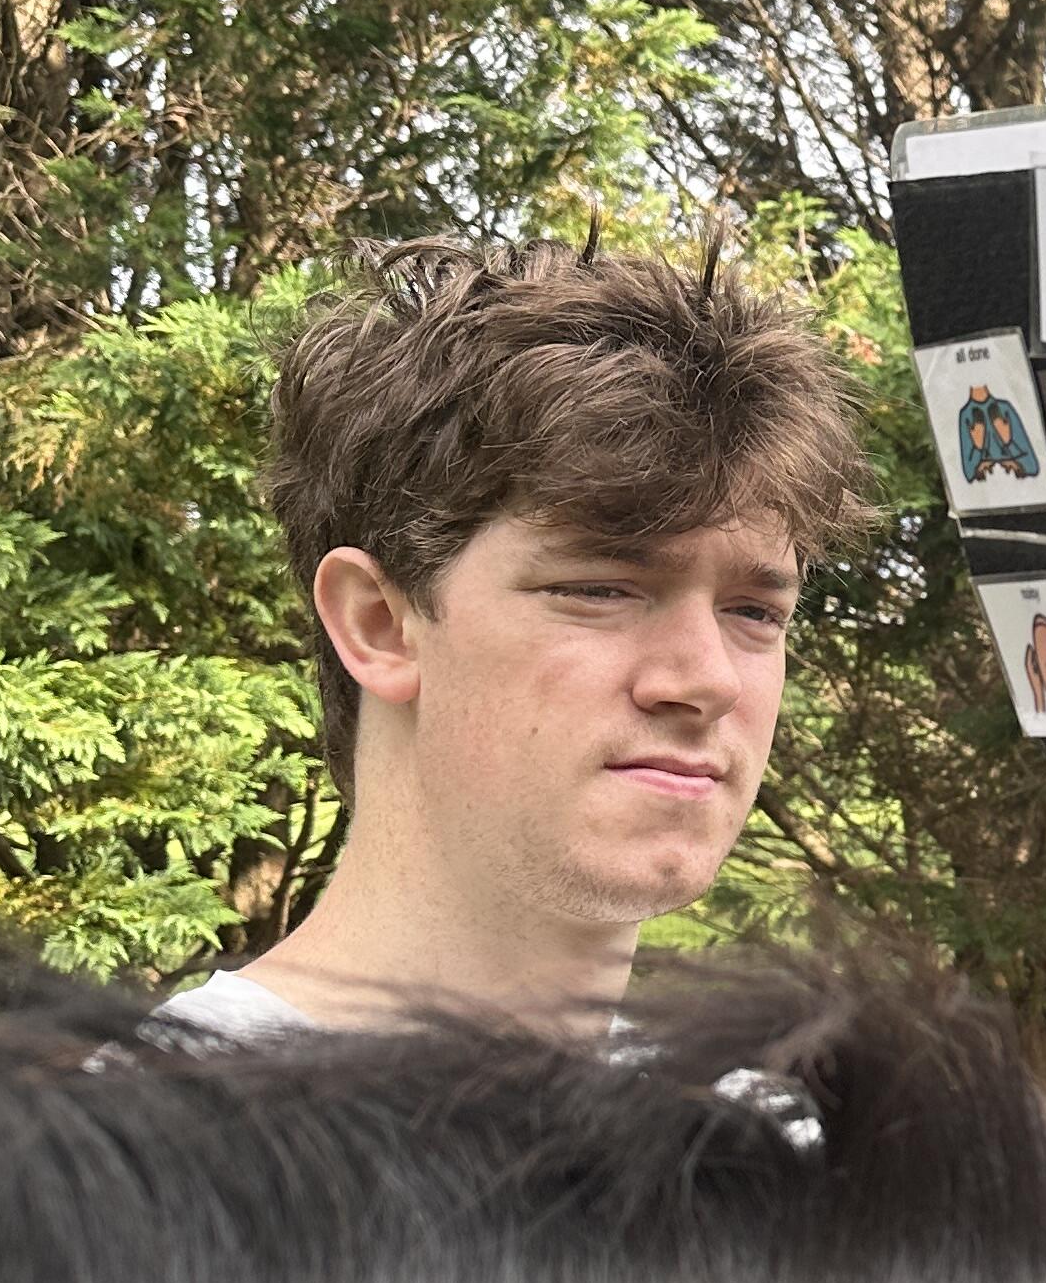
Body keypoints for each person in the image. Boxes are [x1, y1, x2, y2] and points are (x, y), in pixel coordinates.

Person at [157, 236, 872, 1043]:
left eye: (753, 612)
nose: (709, 680)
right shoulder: (138, 1148)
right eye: (600, 589)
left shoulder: (775, 1141)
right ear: (379, 625)